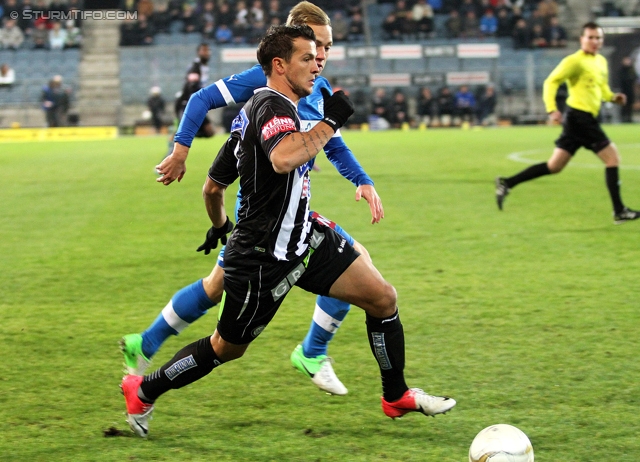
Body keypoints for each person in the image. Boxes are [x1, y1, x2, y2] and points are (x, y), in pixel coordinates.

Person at [121, 24, 456, 438]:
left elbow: (212, 186)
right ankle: (143, 388)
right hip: (263, 258)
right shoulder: (273, 108)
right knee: (227, 348)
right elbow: (284, 157)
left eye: (319, 56)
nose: (317, 66)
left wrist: (220, 225)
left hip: (305, 237)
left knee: (382, 298)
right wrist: (332, 119)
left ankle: (395, 395)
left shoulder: (253, 115)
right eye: (307, 58)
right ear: (279, 65)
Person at [123, 2, 384, 399]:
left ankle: (311, 352)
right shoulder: (263, 81)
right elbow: (199, 101)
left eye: (329, 48)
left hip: (291, 209)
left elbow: (332, 144)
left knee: (354, 261)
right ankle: (147, 353)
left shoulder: (317, 87)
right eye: (318, 47)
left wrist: (362, 179)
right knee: (218, 297)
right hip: (262, 216)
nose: (324, 57)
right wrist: (180, 150)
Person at [495, 22, 640, 224]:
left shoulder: (600, 62)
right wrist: (551, 108)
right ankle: (619, 211)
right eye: (590, 37)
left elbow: (601, 89)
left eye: (598, 38)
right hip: (580, 118)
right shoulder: (574, 61)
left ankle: (507, 182)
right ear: (581, 39)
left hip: (582, 119)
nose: (595, 41)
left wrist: (613, 97)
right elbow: (551, 81)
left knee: (554, 166)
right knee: (612, 158)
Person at [619, 56, 636, 123]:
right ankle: (623, 118)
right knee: (624, 104)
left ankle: (629, 117)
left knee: (630, 104)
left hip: (630, 91)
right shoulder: (622, 70)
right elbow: (622, 80)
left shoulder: (631, 70)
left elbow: (634, 78)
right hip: (624, 91)